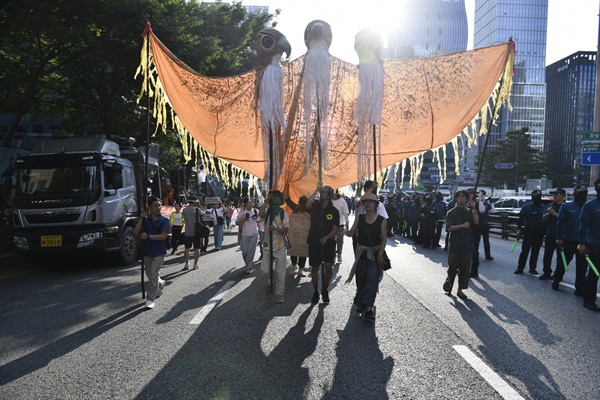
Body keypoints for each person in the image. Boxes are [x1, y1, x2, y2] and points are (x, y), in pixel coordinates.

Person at [344, 192, 387, 321]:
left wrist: (380, 254)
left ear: (376, 204)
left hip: (374, 254)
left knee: (372, 280)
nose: (368, 203)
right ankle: (362, 302)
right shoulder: (360, 217)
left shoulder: (381, 220)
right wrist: (344, 230)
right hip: (361, 254)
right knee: (361, 280)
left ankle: (369, 309)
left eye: (371, 201)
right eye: (366, 201)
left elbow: (384, 239)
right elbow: (351, 233)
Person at [134, 197, 170, 309]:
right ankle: (160, 283)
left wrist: (148, 236)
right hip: (147, 251)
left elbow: (164, 236)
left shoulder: (165, 220)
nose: (158, 207)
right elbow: (136, 231)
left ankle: (150, 299)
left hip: (159, 252)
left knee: (153, 275)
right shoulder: (146, 219)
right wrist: (141, 219)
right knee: (150, 275)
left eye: (159, 205)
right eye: (155, 205)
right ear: (149, 207)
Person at [306, 184, 340, 304]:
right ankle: (316, 291)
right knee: (315, 267)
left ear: (330, 195)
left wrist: (326, 238)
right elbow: (307, 204)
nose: (322, 194)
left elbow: (335, 228)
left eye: (324, 192)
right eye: (322, 192)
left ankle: (325, 289)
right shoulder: (315, 206)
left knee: (328, 267)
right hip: (314, 240)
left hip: (328, 241)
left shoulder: (334, 211)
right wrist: (316, 190)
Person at [442, 190, 479, 299]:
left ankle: (460, 290)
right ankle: (449, 280)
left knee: (465, 269)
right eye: (460, 197)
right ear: (456, 198)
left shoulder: (469, 211)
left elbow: (476, 222)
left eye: (464, 197)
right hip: (455, 244)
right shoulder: (451, 212)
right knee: (452, 266)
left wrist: (475, 209)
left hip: (468, 243)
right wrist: (462, 225)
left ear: (467, 199)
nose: (462, 199)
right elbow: (448, 228)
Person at [553, 185, 586, 294]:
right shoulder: (566, 206)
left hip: (583, 241)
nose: (582, 195)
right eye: (580, 193)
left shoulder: (587, 207)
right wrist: (559, 238)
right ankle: (556, 280)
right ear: (575, 193)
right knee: (563, 263)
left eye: (584, 193)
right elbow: (560, 223)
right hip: (568, 240)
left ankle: (580, 288)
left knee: (582, 267)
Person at [259, 190, 290, 304]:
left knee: (280, 272)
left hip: (280, 246)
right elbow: (260, 214)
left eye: (277, 198)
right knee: (265, 270)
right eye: (274, 198)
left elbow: (286, 230)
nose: (275, 200)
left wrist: (276, 229)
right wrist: (267, 199)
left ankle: (279, 294)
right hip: (267, 245)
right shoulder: (267, 212)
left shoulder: (283, 213)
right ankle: (267, 281)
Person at [577, 178, 600, 312]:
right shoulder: (590, 206)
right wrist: (581, 243)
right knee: (594, 273)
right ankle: (589, 300)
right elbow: (583, 226)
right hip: (594, 244)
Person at [514, 190, 546, 275]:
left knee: (535, 251)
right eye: (534, 197)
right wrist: (519, 229)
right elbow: (520, 219)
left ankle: (532, 268)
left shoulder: (543, 207)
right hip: (528, 232)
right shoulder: (526, 207)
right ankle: (520, 267)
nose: (536, 198)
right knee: (525, 251)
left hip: (539, 233)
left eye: (538, 197)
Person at [540, 188, 565, 280]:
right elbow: (543, 219)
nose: (554, 196)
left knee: (560, 257)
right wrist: (548, 214)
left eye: (556, 194)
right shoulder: (550, 205)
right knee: (547, 255)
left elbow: (566, 220)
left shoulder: (566, 206)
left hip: (562, 235)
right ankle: (546, 272)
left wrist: (555, 214)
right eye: (553, 194)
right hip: (550, 234)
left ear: (562, 195)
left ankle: (557, 274)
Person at [237, 198, 260, 274]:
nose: (251, 204)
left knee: (250, 252)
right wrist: (243, 219)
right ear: (246, 204)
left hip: (254, 233)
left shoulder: (256, 211)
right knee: (244, 252)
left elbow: (260, 219)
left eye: (252, 203)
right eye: (249, 203)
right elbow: (236, 223)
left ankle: (249, 267)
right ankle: (248, 264)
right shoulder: (242, 212)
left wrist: (259, 222)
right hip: (245, 234)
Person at [290, 196, 310, 277]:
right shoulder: (296, 209)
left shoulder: (309, 211)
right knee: (293, 250)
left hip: (304, 235)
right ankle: (295, 266)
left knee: (303, 252)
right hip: (295, 234)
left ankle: (300, 269)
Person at [181, 197, 204, 270]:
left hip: (187, 231)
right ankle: (195, 264)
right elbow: (204, 213)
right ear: (195, 202)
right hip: (196, 232)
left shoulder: (185, 210)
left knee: (187, 248)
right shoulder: (197, 209)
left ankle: (187, 264)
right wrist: (199, 205)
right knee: (196, 248)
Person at [476, 190, 495, 260]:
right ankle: (475, 253)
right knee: (476, 240)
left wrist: (491, 202)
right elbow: (481, 210)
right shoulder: (477, 202)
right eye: (481, 194)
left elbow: (493, 211)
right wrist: (480, 199)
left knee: (486, 240)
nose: (482, 195)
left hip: (485, 223)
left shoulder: (486, 203)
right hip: (477, 224)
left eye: (483, 194)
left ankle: (488, 255)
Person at [332, 190, 349, 263]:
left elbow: (346, 214)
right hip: (331, 226)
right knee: (332, 242)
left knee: (340, 241)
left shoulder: (342, 202)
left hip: (340, 225)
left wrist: (347, 225)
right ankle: (333, 256)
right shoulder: (329, 201)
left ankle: (339, 254)